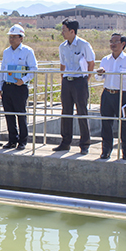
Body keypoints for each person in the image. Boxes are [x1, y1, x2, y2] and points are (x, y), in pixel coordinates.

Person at [53, 18, 95, 154]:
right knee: (66, 112)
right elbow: (62, 64)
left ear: (72, 31)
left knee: (81, 111)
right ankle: (65, 142)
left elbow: (91, 63)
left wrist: (85, 79)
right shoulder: (62, 46)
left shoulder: (84, 45)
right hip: (67, 81)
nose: (62, 33)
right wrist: (63, 79)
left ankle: (85, 143)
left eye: (64, 30)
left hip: (79, 81)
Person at [95, 33, 126, 160]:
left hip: (123, 95)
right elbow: (99, 78)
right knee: (106, 124)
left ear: (123, 44)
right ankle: (106, 150)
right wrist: (99, 73)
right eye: (111, 41)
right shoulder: (105, 59)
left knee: (125, 125)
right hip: (108, 94)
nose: (112, 44)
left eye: (116, 41)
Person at [0, 24, 38, 150]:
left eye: (14, 37)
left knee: (21, 114)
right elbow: (3, 70)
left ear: (21, 38)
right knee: (9, 115)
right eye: (10, 37)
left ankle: (23, 141)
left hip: (20, 88)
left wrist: (23, 80)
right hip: (7, 87)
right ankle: (12, 140)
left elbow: (34, 69)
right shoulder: (6, 52)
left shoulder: (27, 51)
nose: (12, 39)